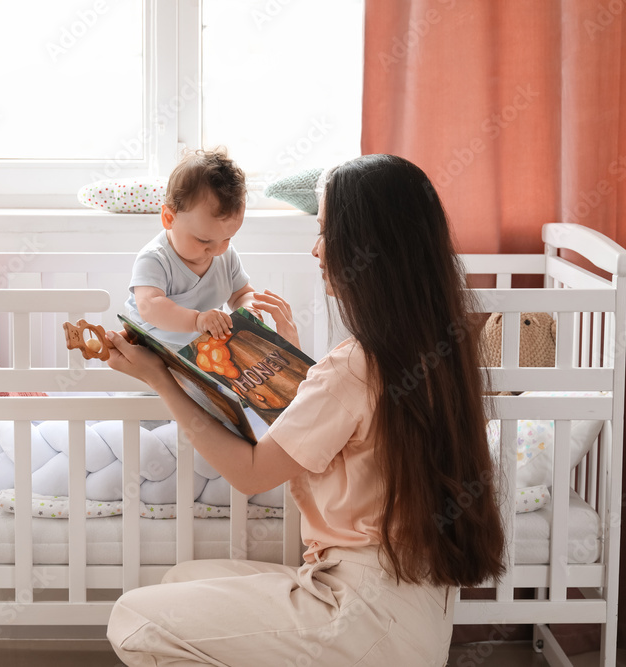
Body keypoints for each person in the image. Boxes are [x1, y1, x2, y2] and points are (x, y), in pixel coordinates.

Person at [103, 154, 506, 666]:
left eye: (325, 233)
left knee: (134, 617)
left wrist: (160, 377)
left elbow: (251, 473)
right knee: (179, 581)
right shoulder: (432, 348)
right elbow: (339, 428)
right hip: (407, 606)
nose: (316, 251)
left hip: (364, 611)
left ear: (369, 249)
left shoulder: (356, 364)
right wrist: (293, 362)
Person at [125, 148, 259, 347]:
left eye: (227, 238)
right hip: (157, 347)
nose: (216, 250)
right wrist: (196, 320)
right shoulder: (155, 259)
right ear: (169, 218)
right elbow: (149, 306)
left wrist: (248, 310)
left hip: (203, 350)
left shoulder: (227, 256)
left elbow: (242, 294)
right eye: (203, 241)